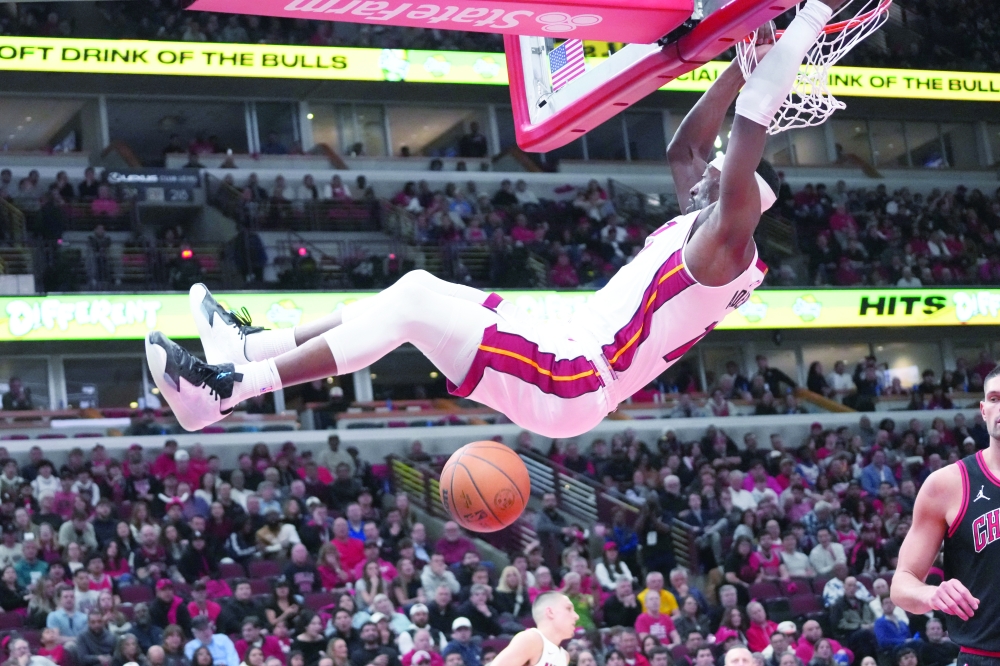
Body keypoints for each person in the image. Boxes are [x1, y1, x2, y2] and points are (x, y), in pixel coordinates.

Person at [146, 0, 845, 437]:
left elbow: (749, 128)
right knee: (406, 292)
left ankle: (228, 392)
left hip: (574, 374)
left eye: (724, 171)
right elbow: (685, 145)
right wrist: (738, 61)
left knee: (415, 303)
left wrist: (808, 19)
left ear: (744, 196)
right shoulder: (702, 219)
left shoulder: (723, 247)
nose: (707, 166)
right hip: (560, 347)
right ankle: (249, 350)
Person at [477, 592, 577, 666]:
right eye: (568, 609)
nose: (576, 616)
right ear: (550, 612)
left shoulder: (564, 656)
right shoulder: (532, 639)